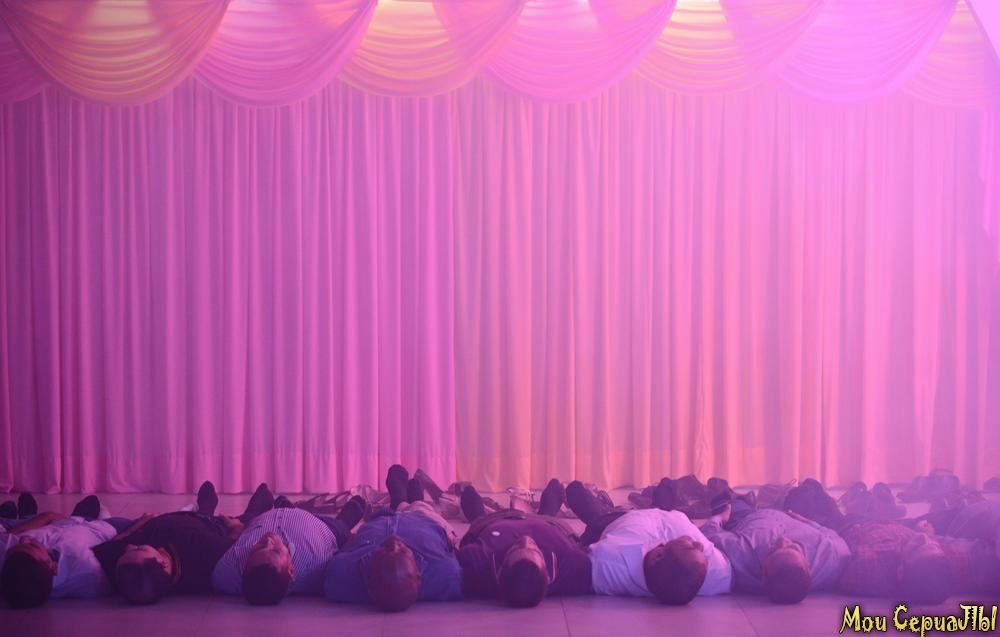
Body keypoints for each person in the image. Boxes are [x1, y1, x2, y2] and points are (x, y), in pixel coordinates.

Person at [89, 482, 272, 604]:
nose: (130, 546)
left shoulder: (128, 571)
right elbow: (235, 541)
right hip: (210, 526)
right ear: (163, 563)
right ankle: (246, 511)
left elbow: (110, 548)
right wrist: (236, 526)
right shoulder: (206, 554)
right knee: (249, 518)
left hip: (168, 520)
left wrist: (137, 525)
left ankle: (205, 507)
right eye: (141, 548)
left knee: (113, 523)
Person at [562, 479, 731, 605]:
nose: (699, 545)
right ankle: (654, 501)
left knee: (576, 492)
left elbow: (582, 561)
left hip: (613, 521)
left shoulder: (609, 560)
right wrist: (719, 519)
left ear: (657, 555)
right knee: (666, 485)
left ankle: (606, 505)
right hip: (660, 515)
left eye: (690, 547)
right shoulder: (716, 577)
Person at [325, 468, 462, 612]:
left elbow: (339, 556)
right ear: (418, 576)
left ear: (368, 577)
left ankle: (398, 500)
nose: (394, 543)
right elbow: (455, 551)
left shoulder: (339, 575)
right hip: (422, 520)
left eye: (385, 550)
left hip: (381, 521)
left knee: (390, 504)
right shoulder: (448, 574)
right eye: (402, 551)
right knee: (420, 507)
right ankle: (413, 498)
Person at [212, 494, 366, 604]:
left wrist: (237, 529)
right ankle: (347, 515)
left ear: (246, 566)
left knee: (265, 494)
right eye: (275, 550)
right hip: (323, 526)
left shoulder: (226, 573)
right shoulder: (317, 566)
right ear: (291, 570)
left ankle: (286, 507)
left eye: (258, 548)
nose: (268, 540)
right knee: (343, 524)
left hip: (264, 518)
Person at [456, 482, 592, 607]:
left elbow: (457, 561)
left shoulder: (477, 560)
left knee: (469, 495)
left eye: (515, 548)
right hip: (546, 520)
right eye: (535, 550)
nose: (525, 539)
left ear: (500, 571)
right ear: (547, 576)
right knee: (556, 486)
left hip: (494, 520)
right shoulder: (571, 566)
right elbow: (585, 561)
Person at [700, 507, 850, 603]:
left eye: (773, 550)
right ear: (807, 566)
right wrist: (806, 520)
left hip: (750, 514)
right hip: (791, 514)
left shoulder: (740, 554)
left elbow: (709, 532)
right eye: (793, 547)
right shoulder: (832, 557)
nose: (782, 541)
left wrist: (721, 517)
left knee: (733, 503)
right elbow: (832, 536)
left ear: (763, 573)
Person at [0, 498, 118, 608]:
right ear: (53, 567)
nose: (23, 539)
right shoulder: (87, 569)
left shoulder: (29, 580)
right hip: (84, 526)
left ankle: (24, 515)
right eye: (32, 546)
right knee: (92, 503)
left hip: (60, 527)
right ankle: (27, 515)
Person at [837, 520, 954, 604]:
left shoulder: (873, 564)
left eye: (918, 546)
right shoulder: (935, 572)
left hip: (853, 524)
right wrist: (930, 536)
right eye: (933, 544)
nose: (923, 538)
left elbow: (849, 576)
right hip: (899, 525)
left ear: (900, 571)